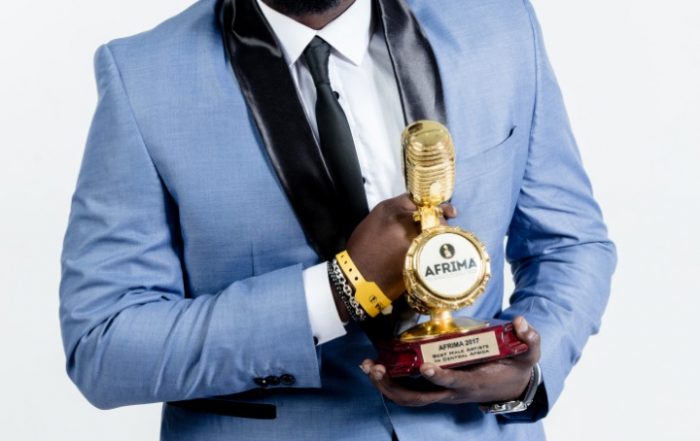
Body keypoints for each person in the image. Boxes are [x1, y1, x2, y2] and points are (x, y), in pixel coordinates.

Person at [59, 0, 616, 439]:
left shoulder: (498, 23)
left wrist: (524, 372)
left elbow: (570, 244)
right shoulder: (143, 77)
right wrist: (340, 291)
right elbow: (103, 345)